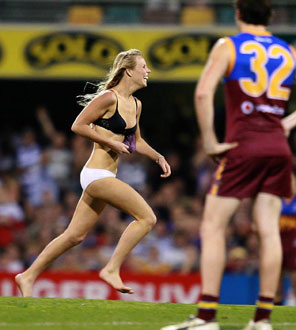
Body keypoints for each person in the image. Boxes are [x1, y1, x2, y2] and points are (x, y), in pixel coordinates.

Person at [161, 1, 296, 330]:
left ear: (237, 14)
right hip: (277, 146)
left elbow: (204, 93)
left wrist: (209, 141)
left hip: (243, 144)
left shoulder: (229, 46)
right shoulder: (288, 50)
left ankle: (207, 316)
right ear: (271, 16)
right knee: (268, 229)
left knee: (212, 225)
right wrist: (288, 123)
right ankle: (262, 319)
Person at [15, 48, 171, 297]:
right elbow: (78, 125)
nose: (148, 71)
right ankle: (111, 268)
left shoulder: (136, 104)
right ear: (129, 71)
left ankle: (27, 275)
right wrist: (112, 143)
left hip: (106, 176)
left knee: (74, 236)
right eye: (143, 67)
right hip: (96, 174)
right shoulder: (109, 98)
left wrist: (158, 157)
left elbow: (136, 141)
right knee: (147, 218)